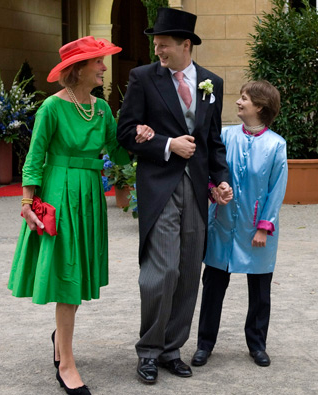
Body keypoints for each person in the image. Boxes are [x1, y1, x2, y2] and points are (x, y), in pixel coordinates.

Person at [8, 36, 150, 395]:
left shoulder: (101, 109)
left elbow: (118, 153)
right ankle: (67, 364)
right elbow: (35, 156)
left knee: (75, 277)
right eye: (97, 62)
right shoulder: (51, 108)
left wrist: (141, 137)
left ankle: (61, 340)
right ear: (79, 68)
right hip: (58, 193)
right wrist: (27, 204)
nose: (104, 67)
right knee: (67, 278)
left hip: (89, 197)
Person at [117, 7, 232, 385]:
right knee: (161, 271)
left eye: (164, 45)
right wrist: (168, 145)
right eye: (156, 44)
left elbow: (213, 142)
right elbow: (126, 132)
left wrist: (221, 180)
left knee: (187, 273)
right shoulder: (143, 79)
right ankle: (148, 351)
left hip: (197, 191)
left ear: (186, 45)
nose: (158, 52)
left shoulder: (211, 83)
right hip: (160, 187)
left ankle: (171, 350)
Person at [191, 80, 288, 368]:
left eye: (244, 98)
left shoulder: (276, 145)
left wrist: (263, 227)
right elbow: (210, 170)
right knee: (213, 286)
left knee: (260, 290)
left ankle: (257, 345)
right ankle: (204, 345)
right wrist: (213, 190)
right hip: (222, 224)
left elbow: (276, 189)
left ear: (259, 106)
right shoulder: (224, 135)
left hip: (256, 229)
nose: (238, 102)